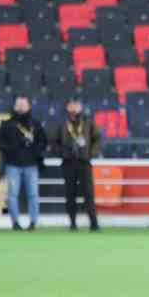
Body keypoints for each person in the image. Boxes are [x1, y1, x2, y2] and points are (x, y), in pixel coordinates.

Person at [0, 95, 46, 231]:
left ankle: (33, 222)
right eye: (18, 104)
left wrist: (35, 151)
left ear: (29, 106)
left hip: (31, 165)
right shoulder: (7, 124)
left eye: (23, 104)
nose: (21, 107)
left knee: (33, 195)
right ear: (14, 106)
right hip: (12, 165)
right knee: (12, 195)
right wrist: (11, 149)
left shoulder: (35, 124)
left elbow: (43, 142)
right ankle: (15, 222)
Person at [53, 98, 103, 231]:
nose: (74, 108)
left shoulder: (88, 122)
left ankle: (94, 223)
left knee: (89, 193)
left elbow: (97, 139)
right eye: (71, 105)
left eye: (77, 105)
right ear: (67, 107)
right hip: (68, 162)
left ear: (81, 107)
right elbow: (53, 142)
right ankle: (72, 223)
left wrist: (91, 154)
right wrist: (63, 153)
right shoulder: (62, 123)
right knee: (70, 194)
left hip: (84, 162)